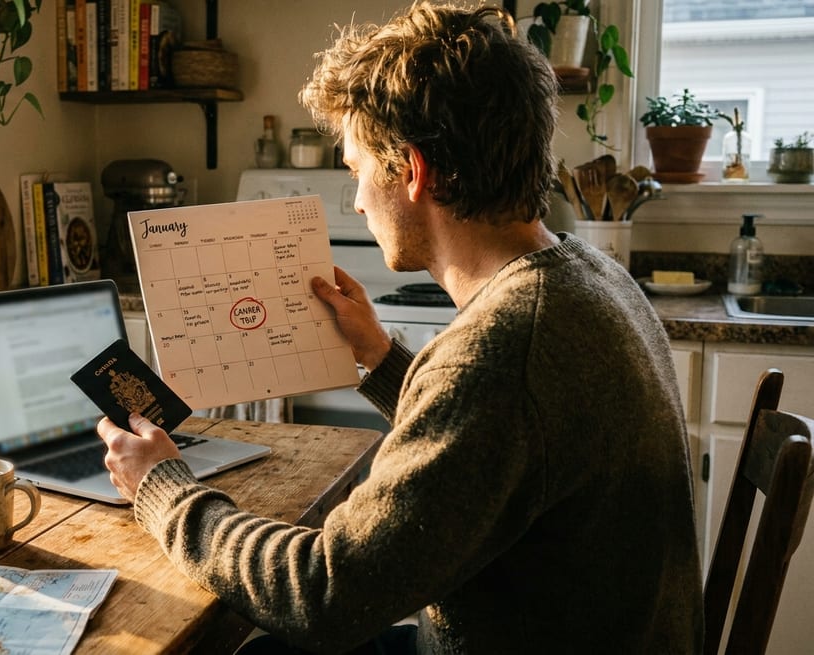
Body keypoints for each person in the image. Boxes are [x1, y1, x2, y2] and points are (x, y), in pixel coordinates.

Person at [96, 3, 704, 653]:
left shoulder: (498, 355)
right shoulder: (589, 273)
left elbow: (323, 593)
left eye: (357, 170)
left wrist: (164, 486)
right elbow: (502, 448)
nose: (356, 200)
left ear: (412, 171)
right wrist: (381, 357)